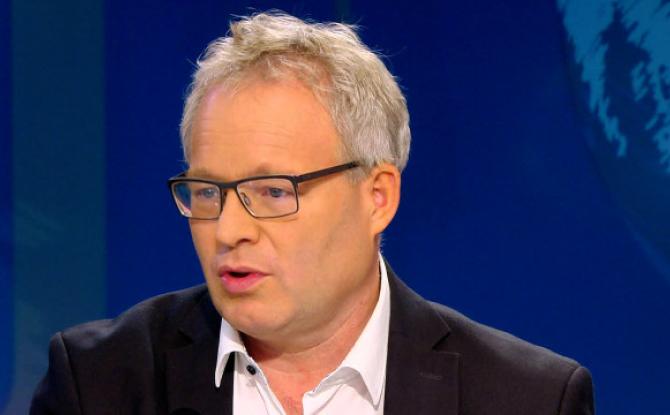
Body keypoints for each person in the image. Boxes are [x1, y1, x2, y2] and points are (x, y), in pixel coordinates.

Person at [30, 12, 595, 415]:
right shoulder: (98, 384)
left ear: (377, 197)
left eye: (273, 192)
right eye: (207, 192)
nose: (228, 230)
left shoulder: (528, 399)